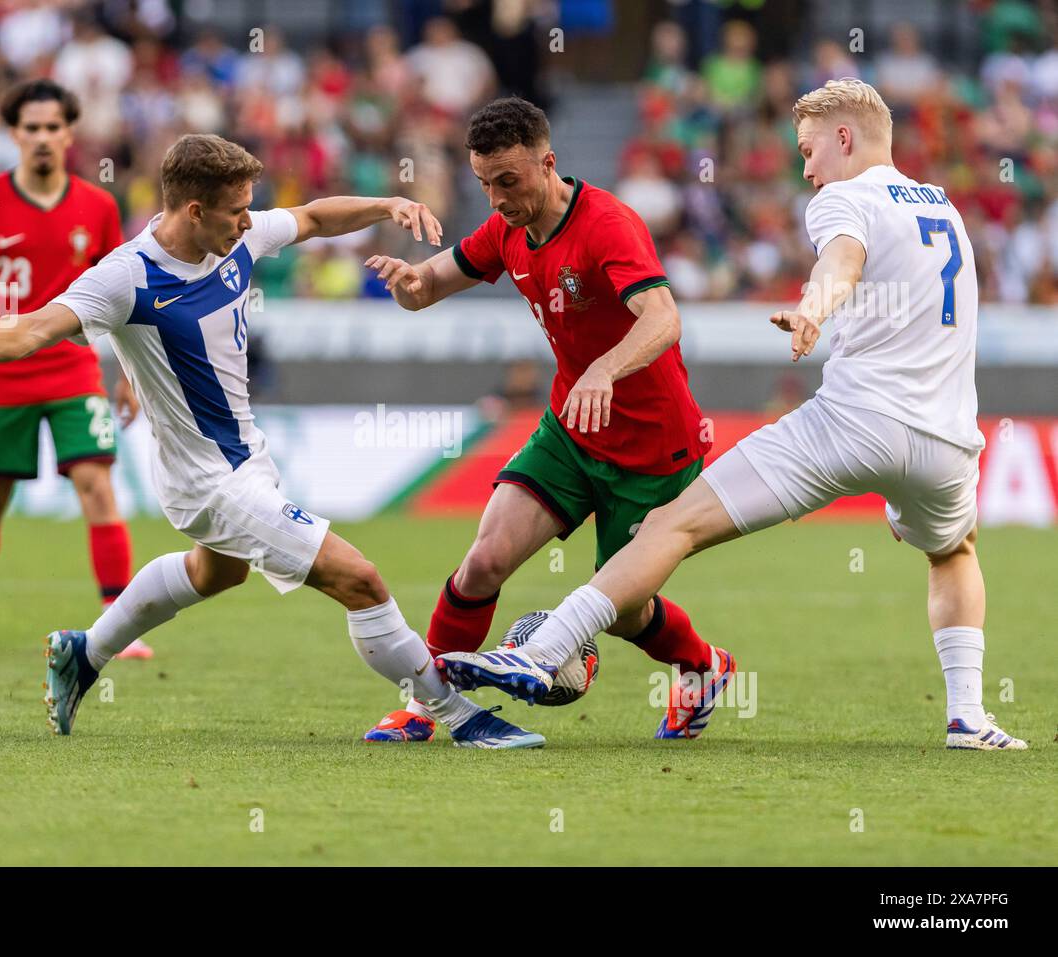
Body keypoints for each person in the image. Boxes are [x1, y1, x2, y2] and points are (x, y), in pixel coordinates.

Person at [0, 132, 544, 749]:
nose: (249, 222)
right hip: (207, 481)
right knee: (361, 579)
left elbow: (311, 218)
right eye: (236, 212)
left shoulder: (236, 239)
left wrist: (386, 204)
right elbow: (31, 329)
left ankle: (83, 652)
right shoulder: (127, 277)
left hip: (247, 461)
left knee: (214, 571)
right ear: (194, 210)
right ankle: (456, 715)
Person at [439, 80, 1027, 752]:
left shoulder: (844, 197)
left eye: (809, 151)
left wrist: (813, 308)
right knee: (954, 551)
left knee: (671, 524)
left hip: (855, 421)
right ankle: (969, 717)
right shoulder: (945, 207)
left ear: (844, 139)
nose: (806, 169)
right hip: (949, 440)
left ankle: (544, 648)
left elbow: (842, 261)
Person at [362, 97, 732, 743]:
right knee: (482, 564)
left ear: (547, 162)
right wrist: (405, 282)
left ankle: (703, 665)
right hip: (569, 431)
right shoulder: (506, 229)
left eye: (509, 180)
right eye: (484, 183)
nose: (497, 197)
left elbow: (665, 317)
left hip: (652, 448)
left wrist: (603, 369)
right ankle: (429, 707)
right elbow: (428, 288)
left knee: (620, 611)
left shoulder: (608, 224)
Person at [0, 78, 148, 659]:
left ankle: (115, 618)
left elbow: (124, 293)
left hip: (72, 368)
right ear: (14, 134)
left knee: (97, 485)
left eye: (53, 127)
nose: (42, 138)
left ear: (69, 133)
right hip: (2, 372)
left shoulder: (98, 205)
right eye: (30, 127)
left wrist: (130, 373)